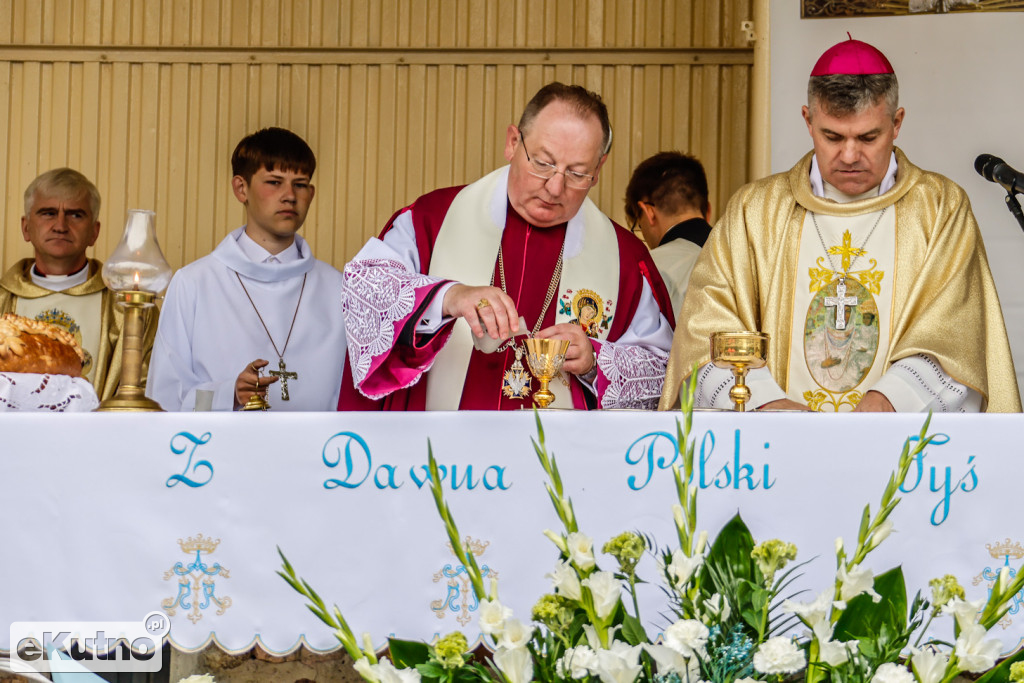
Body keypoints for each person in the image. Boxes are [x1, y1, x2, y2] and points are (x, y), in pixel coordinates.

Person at [661, 37, 1021, 413]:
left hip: (899, 445)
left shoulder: (940, 208)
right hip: (775, 449)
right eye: (832, 136)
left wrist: (887, 402)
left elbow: (957, 335)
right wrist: (769, 407)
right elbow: (705, 333)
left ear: (896, 123)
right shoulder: (756, 211)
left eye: (868, 137)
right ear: (808, 120)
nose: (850, 155)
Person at [338, 82, 675, 411]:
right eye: (543, 163)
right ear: (513, 142)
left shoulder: (623, 258)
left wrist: (594, 361)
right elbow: (364, 295)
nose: (555, 187)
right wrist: (447, 297)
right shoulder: (432, 220)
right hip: (444, 459)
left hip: (560, 462)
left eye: (577, 173)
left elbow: (665, 375)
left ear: (598, 170)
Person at [146, 127, 347, 411]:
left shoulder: (338, 289)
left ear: (311, 194)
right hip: (219, 453)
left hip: (320, 452)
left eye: (300, 184)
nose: (290, 195)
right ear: (241, 188)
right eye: (274, 182)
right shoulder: (194, 283)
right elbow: (164, 398)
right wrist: (229, 394)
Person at [0, 168, 156, 400]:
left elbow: (149, 387)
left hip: (100, 434)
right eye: (48, 213)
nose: (60, 226)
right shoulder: (4, 299)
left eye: (75, 215)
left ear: (94, 232)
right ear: (26, 228)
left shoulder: (126, 306)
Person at [625, 151, 713, 316]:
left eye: (639, 226)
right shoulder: (741, 257)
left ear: (649, 212)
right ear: (708, 210)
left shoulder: (648, 269)